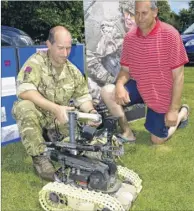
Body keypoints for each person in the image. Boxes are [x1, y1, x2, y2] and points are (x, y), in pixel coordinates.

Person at [12, 26, 99, 181]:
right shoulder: (36, 62)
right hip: (40, 115)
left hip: (60, 119)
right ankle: (39, 157)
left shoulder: (73, 71)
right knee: (23, 106)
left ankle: (51, 140)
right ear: (49, 44)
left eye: (68, 48)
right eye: (60, 48)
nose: (65, 53)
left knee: (78, 151)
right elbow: (24, 90)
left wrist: (91, 114)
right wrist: (55, 108)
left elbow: (83, 98)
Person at [101, 0, 189, 144]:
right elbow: (125, 70)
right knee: (107, 91)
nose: (139, 18)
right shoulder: (130, 38)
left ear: (155, 12)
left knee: (157, 140)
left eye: (144, 13)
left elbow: (178, 77)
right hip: (140, 86)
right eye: (136, 13)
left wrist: (173, 110)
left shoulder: (171, 35)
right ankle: (127, 133)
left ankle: (182, 113)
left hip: (162, 94)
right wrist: (119, 85)